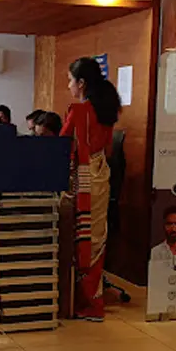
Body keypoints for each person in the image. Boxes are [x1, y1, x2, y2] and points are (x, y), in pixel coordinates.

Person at [59, 57, 121, 322]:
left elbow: (62, 145)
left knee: (78, 239)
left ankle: (85, 302)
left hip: (82, 179)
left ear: (82, 83)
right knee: (95, 238)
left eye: (70, 80)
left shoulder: (80, 111)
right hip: (100, 175)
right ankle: (92, 299)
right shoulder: (107, 109)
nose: (69, 86)